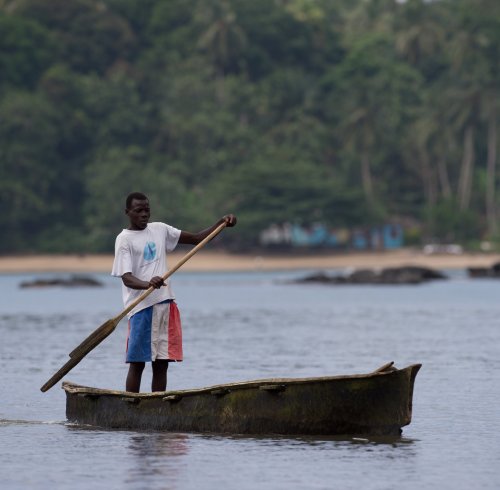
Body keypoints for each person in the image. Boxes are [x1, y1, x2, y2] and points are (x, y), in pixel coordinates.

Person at [111, 191, 237, 393]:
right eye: (138, 210)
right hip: (141, 307)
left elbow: (196, 238)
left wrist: (221, 223)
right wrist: (147, 284)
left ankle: (158, 405)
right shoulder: (124, 239)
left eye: (147, 210)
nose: (144, 214)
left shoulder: (160, 229)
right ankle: (131, 405)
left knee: (162, 363)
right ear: (128, 212)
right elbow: (126, 277)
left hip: (166, 304)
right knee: (138, 363)